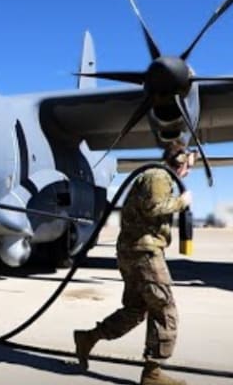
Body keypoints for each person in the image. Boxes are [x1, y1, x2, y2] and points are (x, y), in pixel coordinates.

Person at [74, 146, 194, 385]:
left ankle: (88, 338)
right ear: (181, 161)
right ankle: (152, 373)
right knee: (164, 309)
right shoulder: (159, 176)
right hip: (144, 252)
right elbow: (153, 207)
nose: (189, 171)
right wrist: (181, 202)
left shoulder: (157, 176)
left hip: (135, 251)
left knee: (135, 310)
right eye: (189, 165)